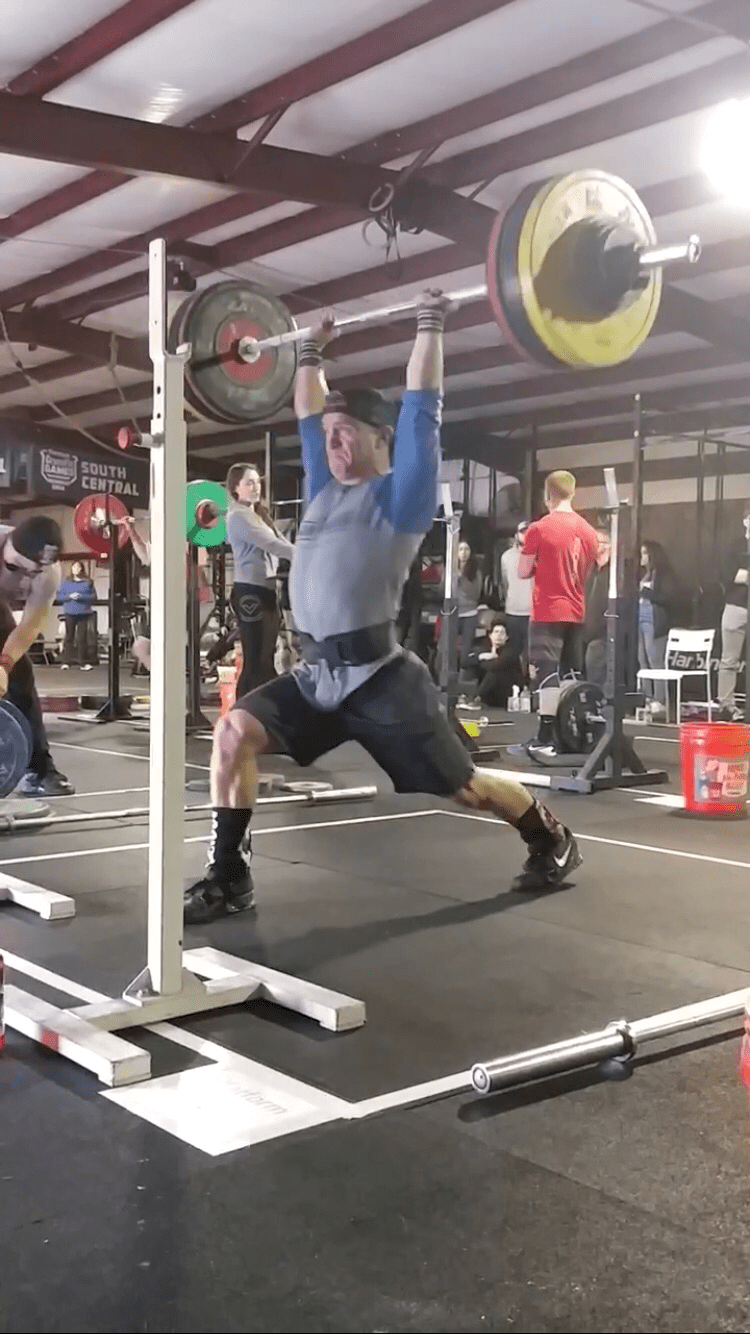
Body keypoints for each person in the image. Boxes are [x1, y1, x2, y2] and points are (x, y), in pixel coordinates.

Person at [183, 290, 582, 925]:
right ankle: (229, 878)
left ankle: (547, 834)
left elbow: (424, 403)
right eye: (329, 435)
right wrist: (310, 349)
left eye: (346, 433)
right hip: (317, 676)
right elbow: (307, 409)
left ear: (382, 439)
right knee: (234, 732)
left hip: (381, 679)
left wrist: (430, 321)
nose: (332, 443)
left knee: (465, 787)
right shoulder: (323, 487)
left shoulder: (402, 495)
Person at [514, 470, 599, 760]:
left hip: (547, 610)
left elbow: (522, 571)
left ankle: (545, 738)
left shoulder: (539, 528)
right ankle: (571, 736)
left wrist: (540, 563)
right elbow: (588, 569)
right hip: (576, 610)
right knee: (571, 673)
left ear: (548, 496)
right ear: (572, 494)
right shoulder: (588, 531)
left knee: (546, 674)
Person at [0, 516, 73, 796]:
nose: (23, 581)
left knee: (21, 675)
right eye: (14, 568)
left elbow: (29, 626)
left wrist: (4, 665)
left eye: (33, 573)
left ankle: (39, 770)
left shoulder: (50, 574)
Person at [225, 464, 295, 698]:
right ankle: (245, 711)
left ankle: (258, 711)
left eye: (257, 482)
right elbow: (272, 545)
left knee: (265, 658)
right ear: (236, 488)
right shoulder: (238, 516)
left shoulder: (258, 516)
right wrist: (308, 557)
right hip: (250, 593)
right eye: (249, 483)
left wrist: (304, 553)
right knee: (257, 662)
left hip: (265, 590)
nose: (256, 487)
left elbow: (281, 541)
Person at [638, 539, 677, 720]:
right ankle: (646, 697)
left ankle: (659, 700)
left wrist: (649, 594)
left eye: (645, 553)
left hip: (655, 622)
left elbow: (670, 599)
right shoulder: (644, 575)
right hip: (640, 621)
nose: (642, 557)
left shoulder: (664, 575)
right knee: (642, 660)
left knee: (655, 661)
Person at [717, 513, 749, 721]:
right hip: (736, 607)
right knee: (729, 660)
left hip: (738, 605)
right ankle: (727, 706)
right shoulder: (735, 547)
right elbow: (728, 575)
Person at [472, 617, 524, 708]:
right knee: (472, 669)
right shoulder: (484, 647)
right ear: (490, 635)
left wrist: (482, 661)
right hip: (491, 692)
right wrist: (483, 657)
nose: (499, 635)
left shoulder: (510, 651)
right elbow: (466, 661)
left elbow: (495, 666)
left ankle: (476, 698)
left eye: (502, 633)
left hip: (508, 693)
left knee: (495, 672)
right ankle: (469, 697)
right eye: (496, 632)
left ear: (507, 637)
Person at [582, 527, 611, 689]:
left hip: (603, 632)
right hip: (585, 629)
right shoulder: (590, 569)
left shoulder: (614, 571)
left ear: (607, 545)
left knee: (596, 669)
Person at [500, 520, 532, 663]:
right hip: (513, 611)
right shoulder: (506, 557)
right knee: (514, 652)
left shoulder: (541, 555)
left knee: (531, 653)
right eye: (522, 532)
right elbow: (504, 582)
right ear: (516, 535)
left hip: (534, 612)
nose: (525, 535)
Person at [57, 560, 97, 671]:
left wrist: (81, 596)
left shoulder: (88, 582)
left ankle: (83, 662)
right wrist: (69, 596)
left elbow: (93, 597)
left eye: (78, 567)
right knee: (69, 638)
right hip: (69, 613)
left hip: (83, 613)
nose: (76, 569)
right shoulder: (66, 582)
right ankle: (66, 662)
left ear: (82, 569)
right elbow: (60, 597)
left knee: (82, 638)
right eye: (74, 567)